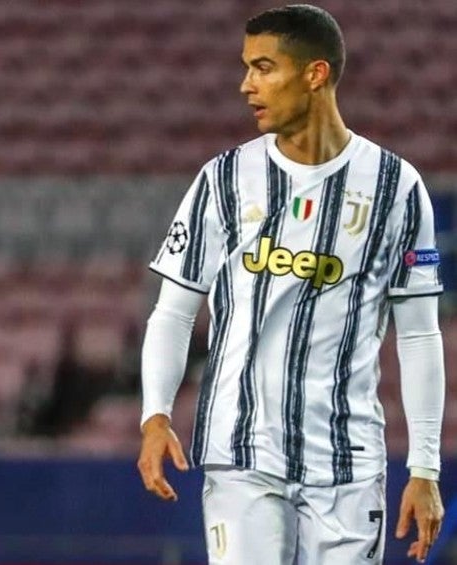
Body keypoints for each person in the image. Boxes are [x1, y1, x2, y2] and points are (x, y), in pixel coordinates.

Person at [137, 5, 444, 564]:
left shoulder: (396, 187)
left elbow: (420, 335)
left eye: (263, 68)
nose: (245, 85)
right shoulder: (224, 180)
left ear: (315, 74)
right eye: (246, 68)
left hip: (349, 463)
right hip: (241, 454)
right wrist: (155, 414)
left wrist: (425, 467)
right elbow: (174, 312)